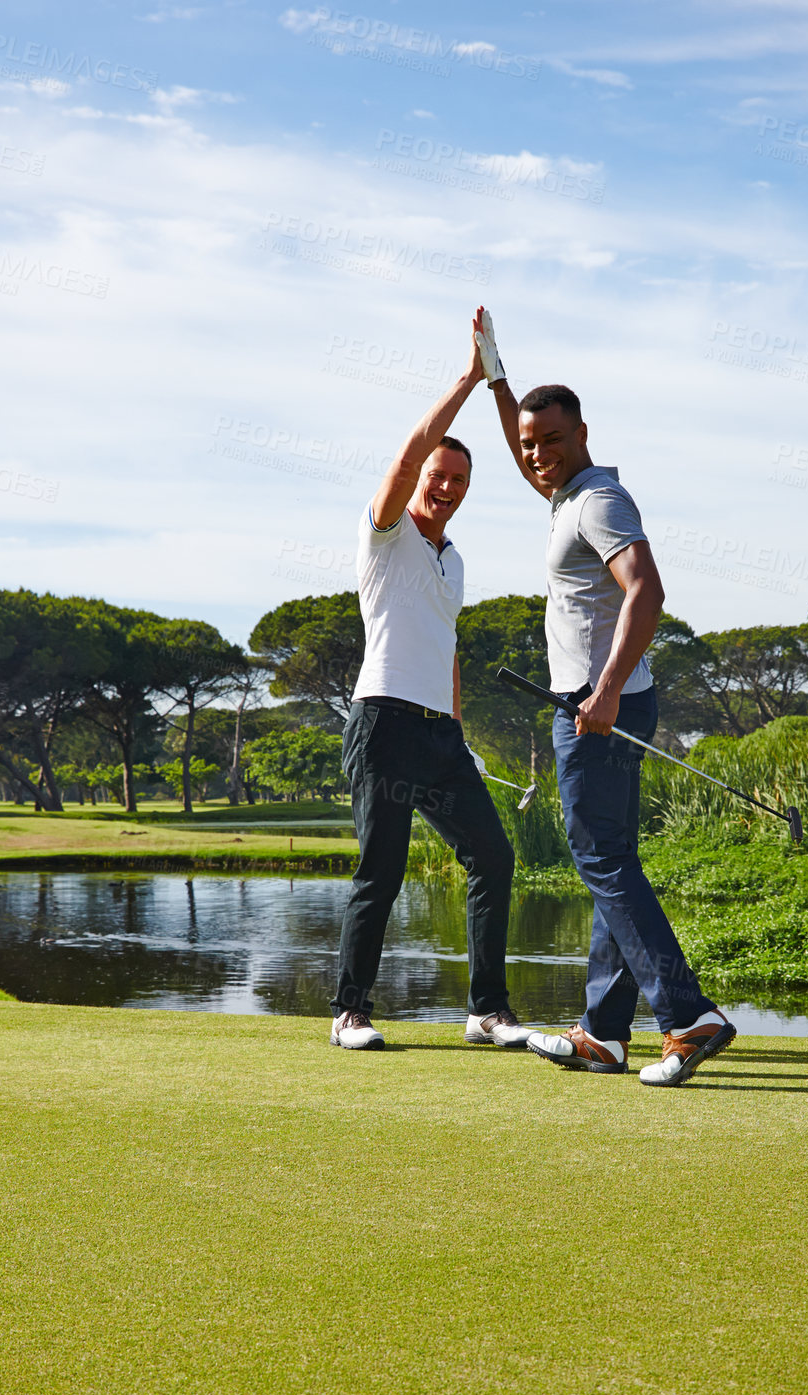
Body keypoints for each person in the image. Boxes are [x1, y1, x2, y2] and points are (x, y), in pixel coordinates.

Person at [474, 310, 736, 1087]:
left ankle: (688, 1017)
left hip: (598, 708)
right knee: (610, 863)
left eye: (552, 440)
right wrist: (495, 378)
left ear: (583, 434)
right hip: (604, 703)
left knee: (601, 860)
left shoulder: (596, 501)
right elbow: (523, 447)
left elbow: (646, 590)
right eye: (530, 444)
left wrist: (607, 691)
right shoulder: (565, 494)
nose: (537, 455)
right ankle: (603, 1034)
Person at [329, 313, 532, 1054]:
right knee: (380, 872)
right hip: (382, 724)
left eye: (458, 482)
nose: (445, 487)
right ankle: (349, 1013)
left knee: (492, 858)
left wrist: (458, 730)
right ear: (419, 478)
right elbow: (411, 450)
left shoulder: (455, 560)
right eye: (437, 477)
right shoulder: (385, 534)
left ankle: (486, 1011)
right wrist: (472, 379)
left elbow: (447, 648)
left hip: (439, 737)